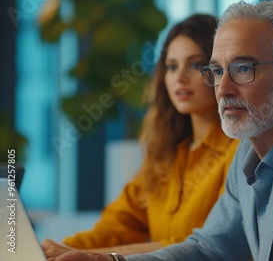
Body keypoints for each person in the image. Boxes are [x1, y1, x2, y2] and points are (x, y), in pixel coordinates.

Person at [48, 0, 273, 261]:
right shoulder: (248, 151)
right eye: (217, 71)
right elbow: (208, 248)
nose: (223, 88)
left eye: (244, 68)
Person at [43, 14, 239, 257]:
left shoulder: (239, 152)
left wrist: (100, 256)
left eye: (195, 64)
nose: (179, 77)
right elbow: (116, 225)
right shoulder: (165, 153)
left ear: (218, 70)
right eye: (171, 66)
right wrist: (52, 250)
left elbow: (202, 245)